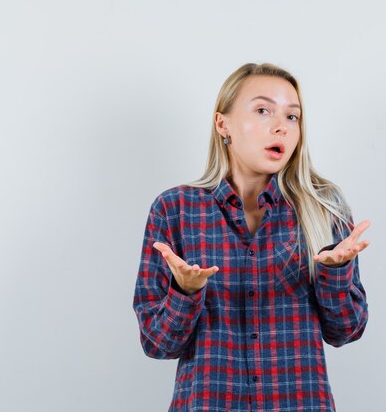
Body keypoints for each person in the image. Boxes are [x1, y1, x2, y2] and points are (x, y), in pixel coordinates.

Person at [132, 62, 371, 412]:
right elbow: (157, 344)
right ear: (222, 124)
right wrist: (185, 291)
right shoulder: (175, 209)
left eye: (292, 117)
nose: (281, 127)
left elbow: (345, 332)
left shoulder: (325, 208)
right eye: (263, 111)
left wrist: (335, 273)